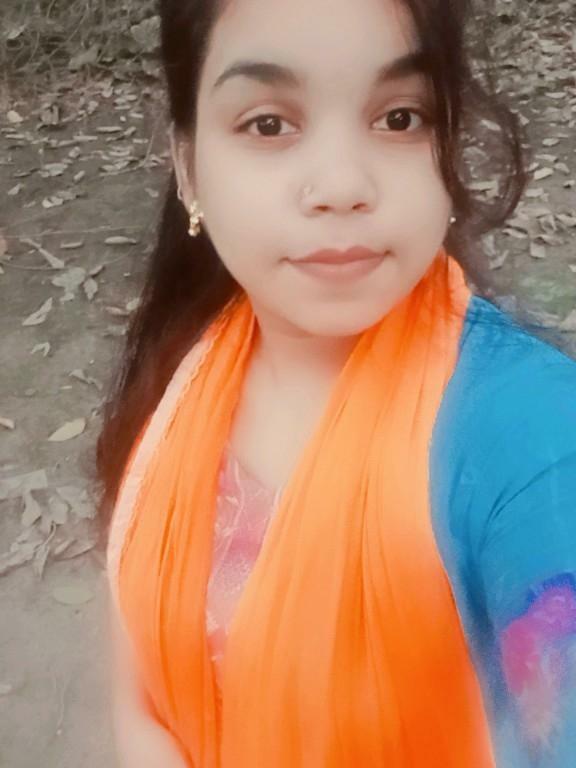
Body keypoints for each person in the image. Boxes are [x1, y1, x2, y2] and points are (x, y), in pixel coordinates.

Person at [95, 0, 576, 765]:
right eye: (268, 124)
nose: (343, 184)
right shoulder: (185, 376)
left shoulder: (533, 442)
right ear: (187, 167)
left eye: (399, 118)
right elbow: (144, 701)